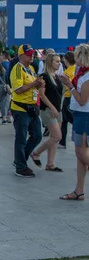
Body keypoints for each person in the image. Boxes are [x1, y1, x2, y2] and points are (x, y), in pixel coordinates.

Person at [59, 44, 89, 200]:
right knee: (80, 155)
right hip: (80, 114)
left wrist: (69, 85)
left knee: (81, 152)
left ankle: (79, 190)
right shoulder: (81, 73)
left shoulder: (86, 76)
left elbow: (82, 100)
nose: (74, 58)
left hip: (85, 115)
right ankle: (79, 190)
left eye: (76, 55)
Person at [10, 44, 45, 178]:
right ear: (21, 56)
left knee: (37, 135)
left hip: (32, 107)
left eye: (32, 54)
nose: (32, 56)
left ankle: (20, 159)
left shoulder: (30, 68)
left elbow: (32, 86)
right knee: (21, 138)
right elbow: (18, 89)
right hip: (20, 108)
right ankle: (20, 167)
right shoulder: (17, 69)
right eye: (29, 54)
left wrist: (39, 84)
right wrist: (34, 84)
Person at [30, 53, 64, 172]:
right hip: (48, 109)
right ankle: (36, 153)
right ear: (50, 62)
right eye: (56, 61)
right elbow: (42, 95)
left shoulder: (57, 76)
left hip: (57, 108)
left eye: (59, 61)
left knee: (54, 137)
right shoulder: (44, 76)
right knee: (57, 136)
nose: (59, 63)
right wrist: (52, 108)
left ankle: (50, 164)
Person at [60, 51, 76, 149]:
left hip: (68, 97)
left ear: (66, 60)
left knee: (69, 118)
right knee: (64, 120)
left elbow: (64, 86)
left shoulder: (67, 73)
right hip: (73, 96)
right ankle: (62, 142)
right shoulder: (76, 69)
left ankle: (62, 142)